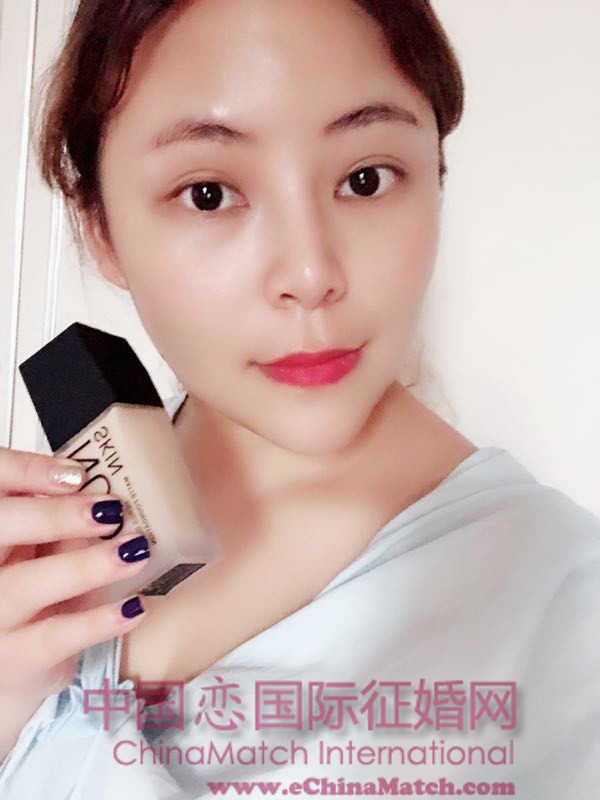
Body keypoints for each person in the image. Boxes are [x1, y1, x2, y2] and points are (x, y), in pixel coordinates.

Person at [0, 0, 599, 797]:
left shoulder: (566, 609)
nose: (311, 274)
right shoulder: (46, 556)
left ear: (435, 179)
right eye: (208, 193)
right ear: (100, 228)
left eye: (364, 179)